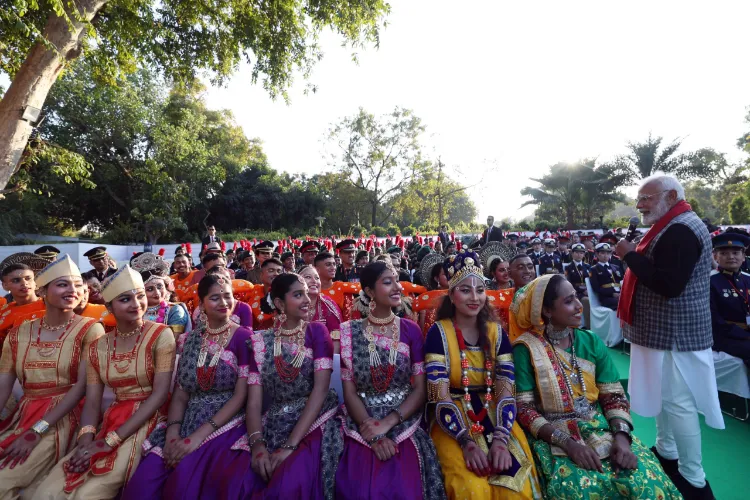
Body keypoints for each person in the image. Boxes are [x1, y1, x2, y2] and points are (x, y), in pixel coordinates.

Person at [512, 274, 681, 499]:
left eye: (577, 297)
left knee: (645, 482)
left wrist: (622, 440)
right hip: (553, 436)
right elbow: (524, 409)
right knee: (583, 489)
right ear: (547, 311)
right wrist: (569, 445)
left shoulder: (590, 341)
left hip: (601, 427)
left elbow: (614, 395)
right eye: (568, 301)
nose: (579, 306)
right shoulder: (526, 349)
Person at [615, 173, 723, 499]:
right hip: (660, 333)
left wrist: (630, 255)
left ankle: (693, 478)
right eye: (639, 198)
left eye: (646, 198)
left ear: (672, 196)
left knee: (679, 404)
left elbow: (668, 285)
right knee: (664, 397)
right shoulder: (670, 225)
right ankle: (666, 452)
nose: (639, 205)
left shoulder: (681, 229)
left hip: (675, 334)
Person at [33, 265, 175, 499]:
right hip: (112, 419)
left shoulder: (161, 334)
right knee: (48, 490)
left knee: (88, 493)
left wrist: (111, 441)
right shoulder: (99, 345)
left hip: (148, 421)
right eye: (125, 299)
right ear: (109, 307)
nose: (136, 304)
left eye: (140, 296)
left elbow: (159, 396)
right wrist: (85, 442)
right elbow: (91, 401)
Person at [121, 274, 255, 499]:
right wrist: (173, 434)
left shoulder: (245, 338)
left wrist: (196, 438)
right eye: (214, 298)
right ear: (201, 303)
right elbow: (181, 394)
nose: (223, 303)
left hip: (225, 424)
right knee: (142, 484)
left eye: (227, 296)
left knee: (185, 482)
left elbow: (239, 397)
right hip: (185, 421)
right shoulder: (189, 339)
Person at [424, 252, 538, 499]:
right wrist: (466, 443)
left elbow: (506, 390)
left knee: (514, 484)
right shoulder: (438, 333)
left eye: (480, 290)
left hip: (495, 410)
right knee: (470, 487)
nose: (474, 297)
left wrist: (501, 439)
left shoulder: (497, 332)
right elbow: (438, 395)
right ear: (452, 296)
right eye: (465, 290)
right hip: (451, 416)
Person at [335, 262, 445, 499]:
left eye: (397, 280)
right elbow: (350, 391)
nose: (397, 287)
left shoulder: (410, 330)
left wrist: (388, 422)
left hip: (404, 420)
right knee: (358, 485)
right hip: (362, 421)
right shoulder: (348, 333)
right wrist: (373, 433)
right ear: (370, 292)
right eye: (387, 282)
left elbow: (419, 388)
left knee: (404, 484)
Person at [227, 273, 340, 498]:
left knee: (289, 483)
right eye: (298, 295)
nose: (307, 299)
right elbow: (254, 402)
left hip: (314, 422)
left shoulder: (316, 332)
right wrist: (257, 444)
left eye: (307, 293)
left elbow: (320, 390)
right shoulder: (261, 342)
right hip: (274, 421)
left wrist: (290, 445)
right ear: (279, 303)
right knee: (240, 478)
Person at [0, 256, 104, 499]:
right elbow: (3, 386)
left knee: (4, 481)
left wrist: (37, 431)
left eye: (78, 284)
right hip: (23, 414)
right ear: (43, 290)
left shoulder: (90, 329)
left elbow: (81, 387)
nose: (73, 290)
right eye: (63, 284)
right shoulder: (18, 334)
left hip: (62, 418)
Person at [709, 232, 750, 368]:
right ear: (715, 256)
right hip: (725, 337)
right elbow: (715, 321)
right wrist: (744, 335)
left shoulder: (748, 279)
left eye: (735, 252)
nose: (731, 257)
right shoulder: (709, 281)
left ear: (743, 257)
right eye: (724, 253)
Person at [131, 252, 191, 339]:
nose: (157, 293)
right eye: (150, 289)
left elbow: (172, 343)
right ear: (140, 292)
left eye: (160, 286)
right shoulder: (136, 310)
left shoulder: (175, 310)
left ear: (166, 287)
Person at [0, 253, 48, 341]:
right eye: (16, 280)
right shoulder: (3, 311)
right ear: (5, 286)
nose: (24, 283)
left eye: (28, 278)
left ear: (35, 281)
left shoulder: (50, 306)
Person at [298, 265, 342, 354]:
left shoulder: (329, 305)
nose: (314, 281)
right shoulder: (291, 304)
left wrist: (333, 365)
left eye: (317, 278)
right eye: (308, 277)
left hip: (325, 356)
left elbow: (336, 340)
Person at [413, 253, 448, 335]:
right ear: (437, 278)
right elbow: (422, 330)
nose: (449, 276)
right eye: (445, 274)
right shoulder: (427, 299)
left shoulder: (457, 297)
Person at [251, 258, 284, 330]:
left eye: (279, 271)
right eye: (271, 270)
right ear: (261, 275)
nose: (276, 274)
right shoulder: (250, 293)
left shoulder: (288, 296)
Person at [588, 243, 623, 310]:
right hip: (606, 298)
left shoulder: (616, 267)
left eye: (608, 253)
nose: (606, 255)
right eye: (603, 253)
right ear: (597, 254)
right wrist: (612, 294)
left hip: (620, 294)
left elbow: (622, 282)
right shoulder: (594, 269)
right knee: (621, 303)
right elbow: (596, 288)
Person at [565, 242, 591, 328]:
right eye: (576, 252)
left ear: (584, 254)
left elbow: (591, 281)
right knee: (586, 301)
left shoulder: (588, 267)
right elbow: (568, 283)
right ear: (572, 253)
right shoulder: (568, 267)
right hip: (576, 292)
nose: (579, 255)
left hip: (588, 291)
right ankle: (587, 325)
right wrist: (582, 290)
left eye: (581, 253)